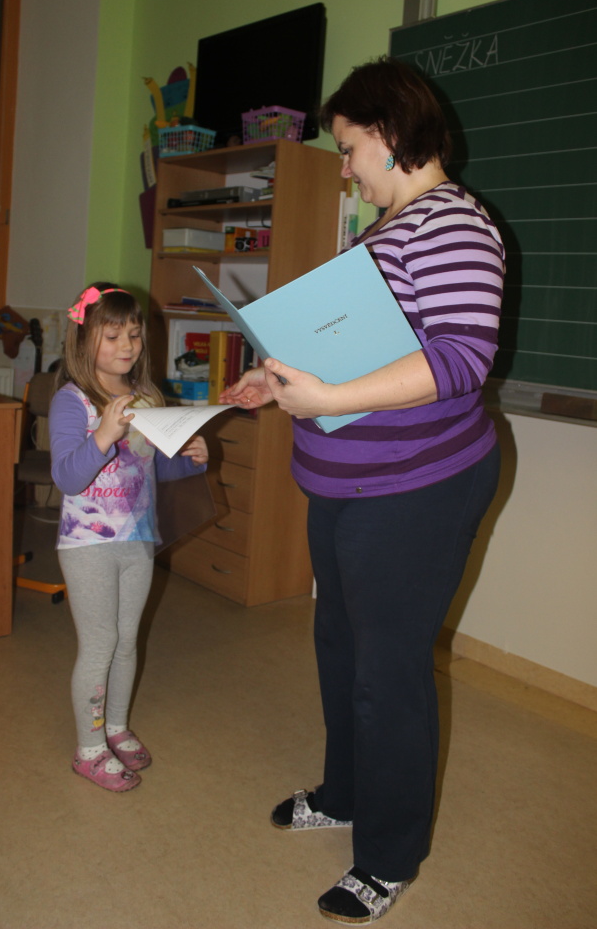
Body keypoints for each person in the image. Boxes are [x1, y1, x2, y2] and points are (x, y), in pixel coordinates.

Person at [220, 56, 505, 923]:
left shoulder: (452, 223)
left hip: (418, 486)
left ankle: (387, 857)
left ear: (388, 133)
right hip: (348, 483)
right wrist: (279, 381)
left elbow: (459, 358)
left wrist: (333, 398)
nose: (343, 168)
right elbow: (358, 347)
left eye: (348, 148)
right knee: (341, 649)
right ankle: (344, 793)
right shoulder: (387, 228)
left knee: (388, 673)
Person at [49, 282, 208, 792]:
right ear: (84, 339)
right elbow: (67, 476)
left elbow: (155, 464)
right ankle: (89, 748)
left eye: (134, 335)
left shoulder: (146, 397)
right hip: (87, 544)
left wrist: (191, 457)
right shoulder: (73, 402)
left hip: (137, 538)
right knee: (99, 644)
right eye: (113, 335)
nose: (127, 346)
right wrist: (103, 434)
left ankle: (114, 727)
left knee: (125, 640)